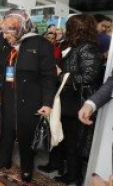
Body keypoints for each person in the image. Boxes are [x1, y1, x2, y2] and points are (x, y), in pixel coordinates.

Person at [0, 9, 57, 182]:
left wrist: (47, 103)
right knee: (6, 131)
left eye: (8, 31)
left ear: (20, 28)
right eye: (2, 31)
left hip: (31, 100)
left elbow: (49, 76)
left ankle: (26, 169)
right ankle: (4, 160)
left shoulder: (41, 44)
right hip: (8, 97)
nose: (4, 36)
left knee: (26, 136)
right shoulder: (6, 46)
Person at [53, 14, 102, 185]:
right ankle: (70, 174)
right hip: (70, 99)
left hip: (78, 102)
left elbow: (89, 77)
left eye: (70, 27)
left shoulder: (88, 48)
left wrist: (63, 76)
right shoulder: (78, 46)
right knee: (68, 140)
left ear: (78, 29)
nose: (67, 31)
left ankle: (74, 177)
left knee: (74, 143)